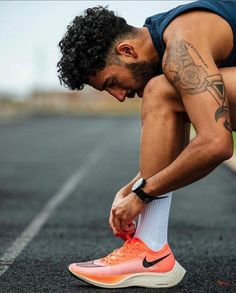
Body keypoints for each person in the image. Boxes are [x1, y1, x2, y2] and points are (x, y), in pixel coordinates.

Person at [57, 0, 236, 289]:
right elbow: (180, 152)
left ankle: (150, 252)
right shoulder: (166, 38)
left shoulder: (180, 47)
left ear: (127, 51)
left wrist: (142, 195)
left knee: (160, 90)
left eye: (112, 82)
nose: (118, 95)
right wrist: (131, 188)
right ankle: (149, 251)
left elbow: (216, 143)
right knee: (166, 91)